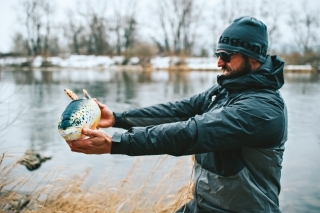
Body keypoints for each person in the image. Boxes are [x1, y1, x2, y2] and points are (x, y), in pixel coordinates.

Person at [67, 16, 287, 213]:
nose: (219, 62)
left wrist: (117, 143)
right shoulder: (225, 90)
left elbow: (191, 133)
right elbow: (180, 110)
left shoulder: (264, 110)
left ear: (254, 57)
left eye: (226, 55)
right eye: (218, 54)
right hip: (203, 206)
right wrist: (118, 118)